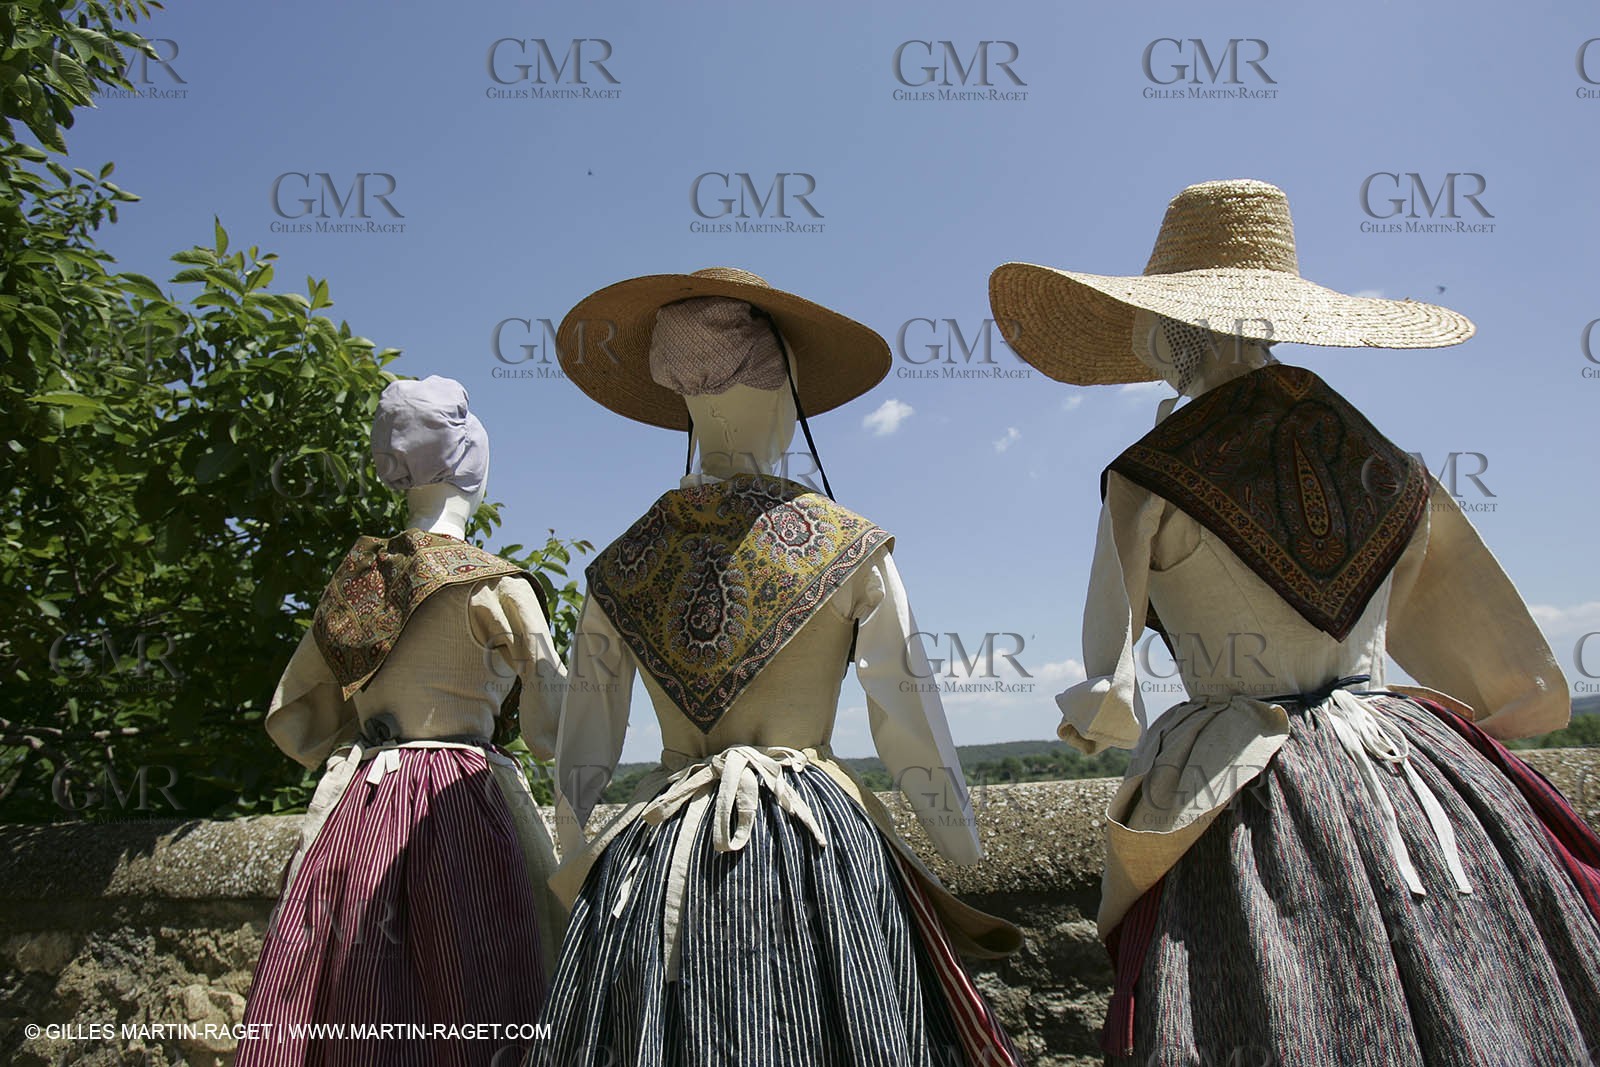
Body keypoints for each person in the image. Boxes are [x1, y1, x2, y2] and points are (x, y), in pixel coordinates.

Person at [989, 179, 1600, 1066]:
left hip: (1244, 782)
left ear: (1173, 321)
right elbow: (1498, 666)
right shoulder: (1395, 465)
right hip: (1414, 767)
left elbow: (1105, 681)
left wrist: (1104, 712)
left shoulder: (1145, 476)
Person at [529, 267, 1023, 1067]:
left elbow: (585, 743)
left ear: (685, 400)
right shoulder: (851, 545)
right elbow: (908, 720)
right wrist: (957, 842)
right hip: (820, 851)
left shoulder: (619, 565)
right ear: (782, 391)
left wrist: (570, 833)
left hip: (659, 863)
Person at [236, 376, 564, 1067]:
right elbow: (556, 725)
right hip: (463, 798)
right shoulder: (492, 583)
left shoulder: (356, 580)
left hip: (363, 801)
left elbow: (295, 714)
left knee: (344, 981)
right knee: (482, 979)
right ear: (471, 460)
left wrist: (374, 729)